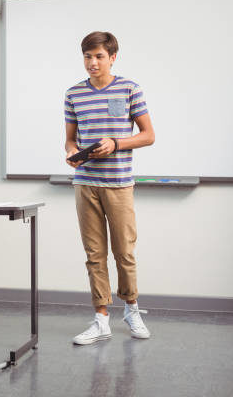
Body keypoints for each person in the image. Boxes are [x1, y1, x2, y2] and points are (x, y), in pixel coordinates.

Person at [64, 32, 155, 345]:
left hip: (118, 183)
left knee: (124, 252)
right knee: (94, 254)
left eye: (99, 56)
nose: (93, 62)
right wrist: (70, 152)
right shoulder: (74, 93)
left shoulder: (130, 88)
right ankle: (101, 318)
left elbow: (148, 135)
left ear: (112, 57)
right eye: (88, 56)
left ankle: (131, 309)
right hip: (85, 183)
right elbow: (70, 138)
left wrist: (116, 143)